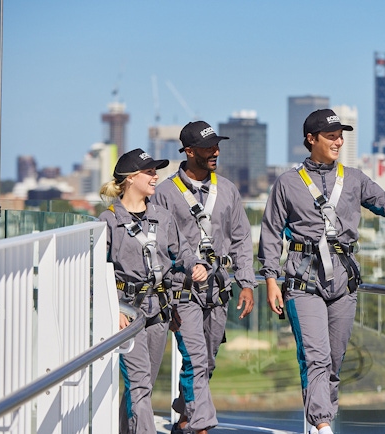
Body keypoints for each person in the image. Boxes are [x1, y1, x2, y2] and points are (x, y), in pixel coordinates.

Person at [258, 108, 385, 434]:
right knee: (316, 357)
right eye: (331, 136)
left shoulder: (355, 178)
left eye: (341, 135)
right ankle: (322, 425)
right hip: (303, 281)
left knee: (334, 361)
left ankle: (320, 422)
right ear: (311, 139)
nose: (339, 141)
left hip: (344, 281)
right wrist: (271, 279)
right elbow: (271, 233)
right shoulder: (287, 183)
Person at [152, 120, 256, 434]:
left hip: (220, 289)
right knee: (196, 358)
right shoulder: (165, 193)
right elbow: (157, 247)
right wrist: (162, 299)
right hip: (181, 292)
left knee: (206, 361)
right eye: (209, 147)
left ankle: (185, 415)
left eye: (217, 146)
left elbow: (241, 238)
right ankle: (201, 427)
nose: (216, 152)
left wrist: (247, 283)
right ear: (188, 150)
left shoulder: (228, 190)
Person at [99, 148, 208, 434]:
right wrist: (114, 310)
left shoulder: (162, 216)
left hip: (159, 311)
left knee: (142, 385)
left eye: (155, 171)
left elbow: (182, 250)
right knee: (139, 383)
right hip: (127, 312)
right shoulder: (107, 221)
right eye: (149, 172)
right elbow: (96, 273)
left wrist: (195, 265)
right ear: (131, 178)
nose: (155, 176)